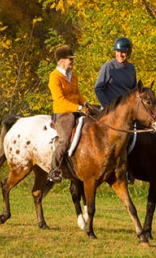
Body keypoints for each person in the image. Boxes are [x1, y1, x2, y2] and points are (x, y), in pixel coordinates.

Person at [47, 44, 91, 182]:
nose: (72, 61)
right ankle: (54, 169)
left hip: (76, 109)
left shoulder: (74, 76)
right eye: (69, 59)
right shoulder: (54, 77)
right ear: (61, 61)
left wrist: (85, 103)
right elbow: (60, 100)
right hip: (62, 113)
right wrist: (79, 108)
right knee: (65, 139)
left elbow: (77, 94)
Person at [94, 36, 138, 108]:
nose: (120, 55)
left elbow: (134, 90)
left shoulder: (131, 68)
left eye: (123, 52)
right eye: (117, 51)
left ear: (128, 53)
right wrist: (107, 106)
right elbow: (98, 89)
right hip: (111, 108)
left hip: (126, 109)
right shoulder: (108, 67)